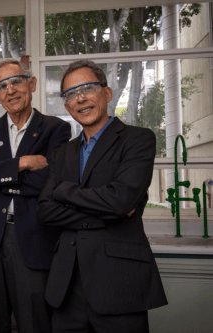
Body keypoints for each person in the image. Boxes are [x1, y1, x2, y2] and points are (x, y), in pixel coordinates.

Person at [37, 60, 168, 333]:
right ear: (66, 105)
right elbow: (46, 212)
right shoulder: (61, 154)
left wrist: (64, 192)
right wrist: (111, 210)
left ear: (107, 93)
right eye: (71, 94)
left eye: (87, 88)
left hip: (119, 283)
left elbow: (120, 200)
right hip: (67, 287)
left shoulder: (138, 139)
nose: (80, 98)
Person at [0, 59, 71, 333]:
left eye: (16, 82)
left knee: (35, 323)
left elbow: (49, 182)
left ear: (31, 84)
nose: (9, 90)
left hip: (33, 239)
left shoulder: (56, 129)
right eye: (1, 86)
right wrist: (22, 164)